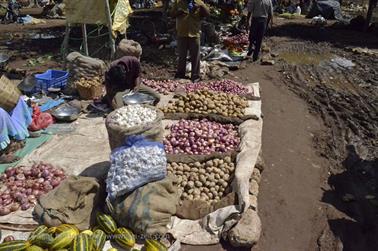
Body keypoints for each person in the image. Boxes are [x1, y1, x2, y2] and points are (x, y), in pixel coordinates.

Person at [171, 0, 210, 82]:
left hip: (194, 33)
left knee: (195, 56)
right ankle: (180, 74)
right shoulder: (178, 2)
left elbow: (207, 14)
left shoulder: (199, 2)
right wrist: (179, 12)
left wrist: (201, 7)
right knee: (182, 56)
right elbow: (171, 14)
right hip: (182, 33)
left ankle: (195, 76)